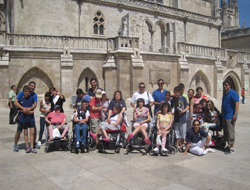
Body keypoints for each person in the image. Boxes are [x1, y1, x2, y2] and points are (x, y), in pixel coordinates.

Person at [13, 81, 38, 152]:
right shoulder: (22, 93)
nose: (32, 87)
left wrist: (28, 110)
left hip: (30, 115)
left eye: (33, 86)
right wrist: (23, 108)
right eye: (31, 85)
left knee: (34, 131)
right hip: (22, 116)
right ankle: (15, 144)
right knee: (19, 130)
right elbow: (15, 102)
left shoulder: (34, 95)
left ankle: (32, 145)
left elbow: (35, 105)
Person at [222, 80, 239, 154]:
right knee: (226, 131)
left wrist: (235, 114)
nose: (225, 86)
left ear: (230, 86)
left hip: (230, 116)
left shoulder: (233, 93)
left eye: (226, 85)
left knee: (230, 131)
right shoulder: (225, 94)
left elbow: (237, 103)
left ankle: (231, 147)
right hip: (225, 115)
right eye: (224, 85)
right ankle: (228, 146)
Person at [171, 86, 189, 152]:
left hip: (182, 117)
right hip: (176, 118)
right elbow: (171, 108)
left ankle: (181, 145)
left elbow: (187, 106)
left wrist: (184, 111)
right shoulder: (172, 100)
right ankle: (177, 145)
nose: (176, 93)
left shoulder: (183, 98)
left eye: (177, 92)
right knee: (177, 132)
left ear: (179, 92)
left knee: (182, 132)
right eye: (175, 92)